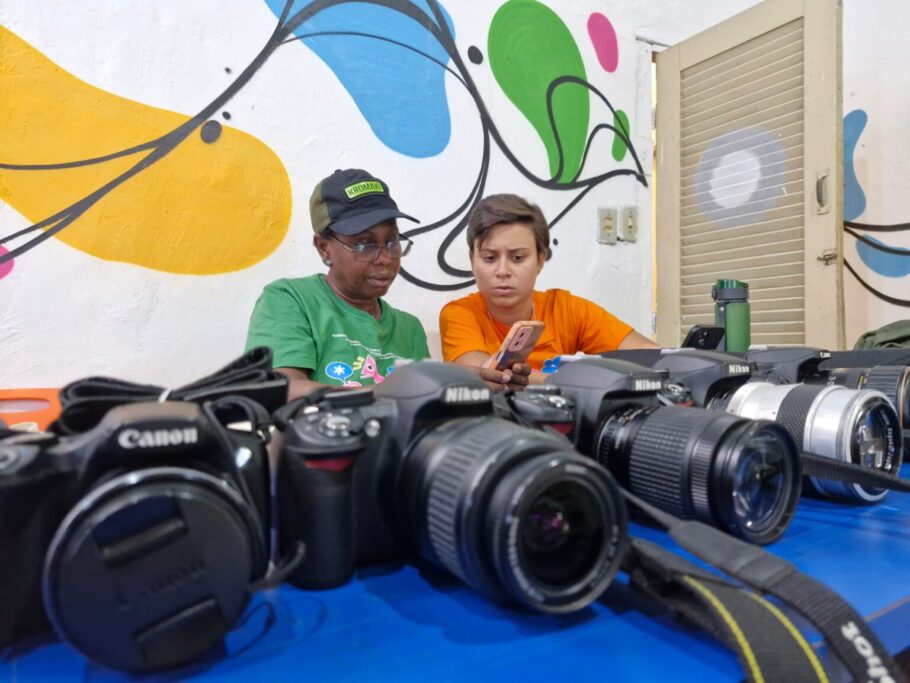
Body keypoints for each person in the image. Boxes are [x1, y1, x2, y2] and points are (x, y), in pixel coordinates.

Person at [245, 169, 527, 399]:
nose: (384, 258)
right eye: (364, 244)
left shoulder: (409, 328)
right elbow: (282, 391)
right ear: (324, 248)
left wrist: (461, 387)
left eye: (392, 242)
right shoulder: (291, 300)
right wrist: (402, 392)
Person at [439, 193, 659, 383]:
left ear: (540, 260)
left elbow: (652, 358)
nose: (502, 270)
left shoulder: (567, 309)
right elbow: (489, 377)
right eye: (489, 258)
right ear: (472, 260)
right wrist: (580, 382)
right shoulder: (459, 314)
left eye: (517, 258)